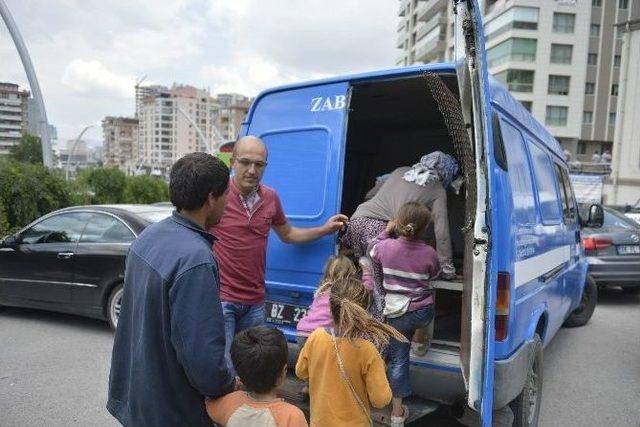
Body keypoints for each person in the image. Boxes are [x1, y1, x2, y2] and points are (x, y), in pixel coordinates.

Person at [107, 153, 235, 427]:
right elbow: (203, 360)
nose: (228, 202)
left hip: (137, 397)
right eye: (226, 194)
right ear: (212, 197)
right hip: (170, 411)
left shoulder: (149, 236)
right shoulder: (196, 259)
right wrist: (228, 383)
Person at [208, 135, 348, 374]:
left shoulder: (270, 198)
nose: (252, 170)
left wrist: (324, 229)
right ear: (232, 162)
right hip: (223, 299)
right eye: (245, 162)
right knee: (225, 368)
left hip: (255, 301)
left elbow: (289, 234)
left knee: (252, 367)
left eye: (259, 164)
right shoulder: (217, 196)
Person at [342, 151, 460, 319]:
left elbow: (369, 195)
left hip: (357, 221)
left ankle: (358, 322)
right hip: (379, 228)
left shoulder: (400, 171)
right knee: (381, 290)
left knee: (367, 278)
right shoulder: (438, 189)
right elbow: (441, 232)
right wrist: (447, 269)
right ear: (446, 172)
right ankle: (379, 335)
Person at [295, 277, 406, 427]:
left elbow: (301, 372)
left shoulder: (316, 337)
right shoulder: (367, 350)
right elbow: (380, 400)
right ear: (363, 310)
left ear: (330, 306)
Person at [368, 202, 439, 427]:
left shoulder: (385, 247)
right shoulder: (429, 252)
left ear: (398, 223)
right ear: (425, 229)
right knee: (426, 306)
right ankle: (419, 341)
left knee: (399, 360)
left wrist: (386, 231)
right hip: (422, 313)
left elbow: (371, 248)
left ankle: (397, 414)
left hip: (397, 315)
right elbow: (435, 272)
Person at [206, 327, 308, 427]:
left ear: (239, 375)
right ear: (283, 372)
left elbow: (208, 405)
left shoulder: (230, 402)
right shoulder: (292, 416)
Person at [295, 255, 358, 347]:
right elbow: (365, 290)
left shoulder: (322, 289)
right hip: (320, 336)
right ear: (349, 274)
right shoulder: (342, 293)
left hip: (303, 333)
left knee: (312, 360)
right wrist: (367, 273)